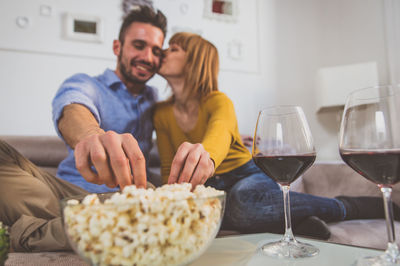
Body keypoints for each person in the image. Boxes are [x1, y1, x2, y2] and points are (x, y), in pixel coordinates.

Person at [153, 32, 400, 238]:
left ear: (195, 60)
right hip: (208, 185)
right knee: (209, 212)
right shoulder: (161, 113)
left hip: (245, 174)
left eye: (173, 48)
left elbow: (217, 138)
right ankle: (295, 222)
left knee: (242, 204)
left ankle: (347, 206)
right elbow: (168, 169)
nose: (164, 52)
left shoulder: (218, 101)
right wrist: (170, 200)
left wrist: (205, 158)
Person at [0, 6, 169, 252]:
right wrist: (91, 135)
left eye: (156, 51)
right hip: (60, 193)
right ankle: (94, 227)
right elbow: (74, 106)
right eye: (139, 45)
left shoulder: (156, 101)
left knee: (155, 205)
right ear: (117, 47)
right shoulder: (86, 83)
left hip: (121, 201)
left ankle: (36, 232)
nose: (148, 57)